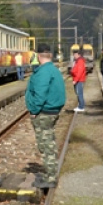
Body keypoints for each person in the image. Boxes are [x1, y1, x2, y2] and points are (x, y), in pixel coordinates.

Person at [26, 43, 66, 189]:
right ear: (50, 55)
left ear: (38, 56)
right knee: (49, 141)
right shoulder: (54, 70)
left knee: (45, 145)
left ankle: (51, 178)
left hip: (44, 112)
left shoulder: (43, 72)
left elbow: (40, 95)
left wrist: (34, 110)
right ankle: (51, 173)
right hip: (52, 111)